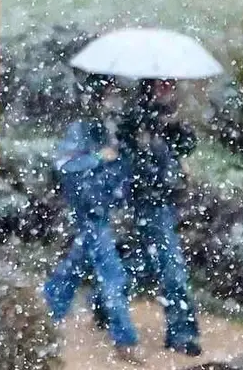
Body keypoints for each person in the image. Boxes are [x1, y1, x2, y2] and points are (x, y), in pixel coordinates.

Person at [42, 73, 143, 363]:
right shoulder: (83, 129)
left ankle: (49, 306)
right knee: (113, 274)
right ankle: (124, 341)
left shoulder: (120, 129)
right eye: (110, 92)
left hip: (104, 212)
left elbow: (123, 172)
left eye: (116, 93)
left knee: (75, 266)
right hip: (91, 213)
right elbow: (66, 164)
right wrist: (100, 157)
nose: (115, 99)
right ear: (98, 96)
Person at [116, 78, 202, 357]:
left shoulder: (169, 116)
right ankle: (182, 333)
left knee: (142, 263)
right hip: (146, 203)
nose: (168, 88)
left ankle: (105, 302)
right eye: (161, 84)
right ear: (148, 86)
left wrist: (174, 127)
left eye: (171, 84)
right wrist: (147, 133)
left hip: (164, 202)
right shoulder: (135, 119)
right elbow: (130, 159)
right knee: (171, 267)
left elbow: (188, 145)